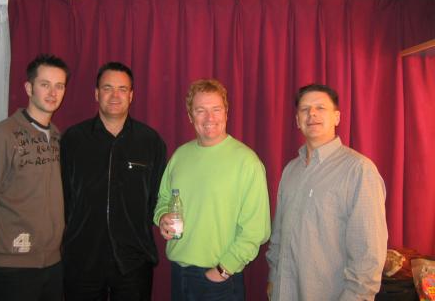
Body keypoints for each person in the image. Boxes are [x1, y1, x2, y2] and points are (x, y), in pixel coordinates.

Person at [0, 54, 70, 301]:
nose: (53, 92)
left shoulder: (58, 139)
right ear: (29, 87)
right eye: (45, 84)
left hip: (52, 266)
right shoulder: (3, 136)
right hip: (10, 270)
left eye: (59, 86)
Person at [266, 84, 388, 301]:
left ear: (337, 117)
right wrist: (274, 280)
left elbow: (368, 255)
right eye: (304, 109)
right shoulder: (291, 170)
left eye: (320, 108)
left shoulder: (359, 170)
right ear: (297, 121)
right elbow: (279, 235)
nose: (312, 114)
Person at [154, 78, 271, 301]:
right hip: (179, 272)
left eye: (216, 109)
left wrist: (223, 270)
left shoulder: (247, 162)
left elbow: (257, 230)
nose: (210, 118)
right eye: (200, 110)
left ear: (226, 113)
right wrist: (162, 218)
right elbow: (163, 198)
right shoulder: (180, 155)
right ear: (190, 116)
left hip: (220, 280)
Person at [60, 62, 167, 301]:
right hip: (81, 260)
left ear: (131, 95)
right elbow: (62, 197)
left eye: (122, 89)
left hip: (134, 262)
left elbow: (158, 200)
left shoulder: (150, 142)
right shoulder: (73, 140)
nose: (115, 95)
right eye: (107, 88)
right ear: (96, 93)